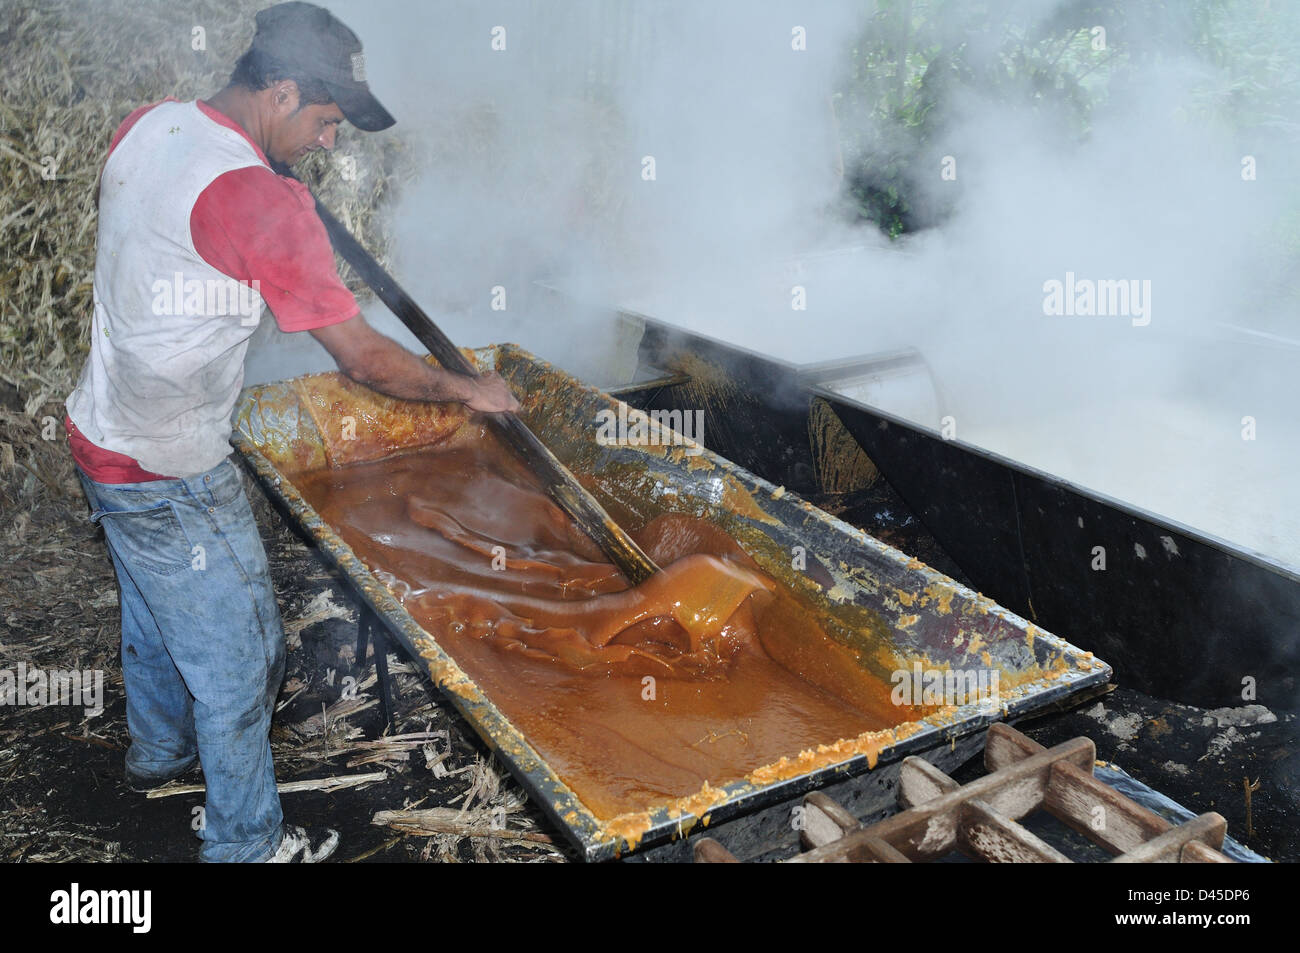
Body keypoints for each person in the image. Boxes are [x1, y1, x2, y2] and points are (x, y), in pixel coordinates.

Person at [63, 1, 518, 863]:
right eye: (325, 121)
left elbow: (154, 234)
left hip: (100, 426)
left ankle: (156, 753)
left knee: (155, 610)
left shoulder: (151, 124)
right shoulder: (262, 202)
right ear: (277, 91)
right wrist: (469, 390)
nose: (330, 143)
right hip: (168, 464)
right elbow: (367, 363)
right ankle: (246, 843)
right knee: (243, 658)